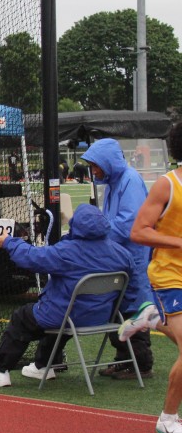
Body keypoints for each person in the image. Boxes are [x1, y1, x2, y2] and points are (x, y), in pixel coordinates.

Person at [0, 203, 133, 387]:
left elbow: (32, 257)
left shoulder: (68, 251)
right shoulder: (121, 253)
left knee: (22, 319)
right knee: (58, 319)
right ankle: (43, 366)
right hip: (101, 316)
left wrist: (9, 242)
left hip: (68, 315)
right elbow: (131, 284)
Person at [80, 138, 157, 380]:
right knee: (119, 307)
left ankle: (141, 364)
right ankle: (125, 360)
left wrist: (96, 236)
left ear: (108, 162)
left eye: (96, 165)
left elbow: (127, 224)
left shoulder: (129, 181)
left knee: (134, 308)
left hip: (133, 257)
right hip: (121, 256)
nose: (94, 171)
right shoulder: (115, 182)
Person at [128, 122, 182, 433]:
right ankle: (168, 419)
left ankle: (153, 319)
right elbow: (138, 232)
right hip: (170, 276)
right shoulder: (168, 185)